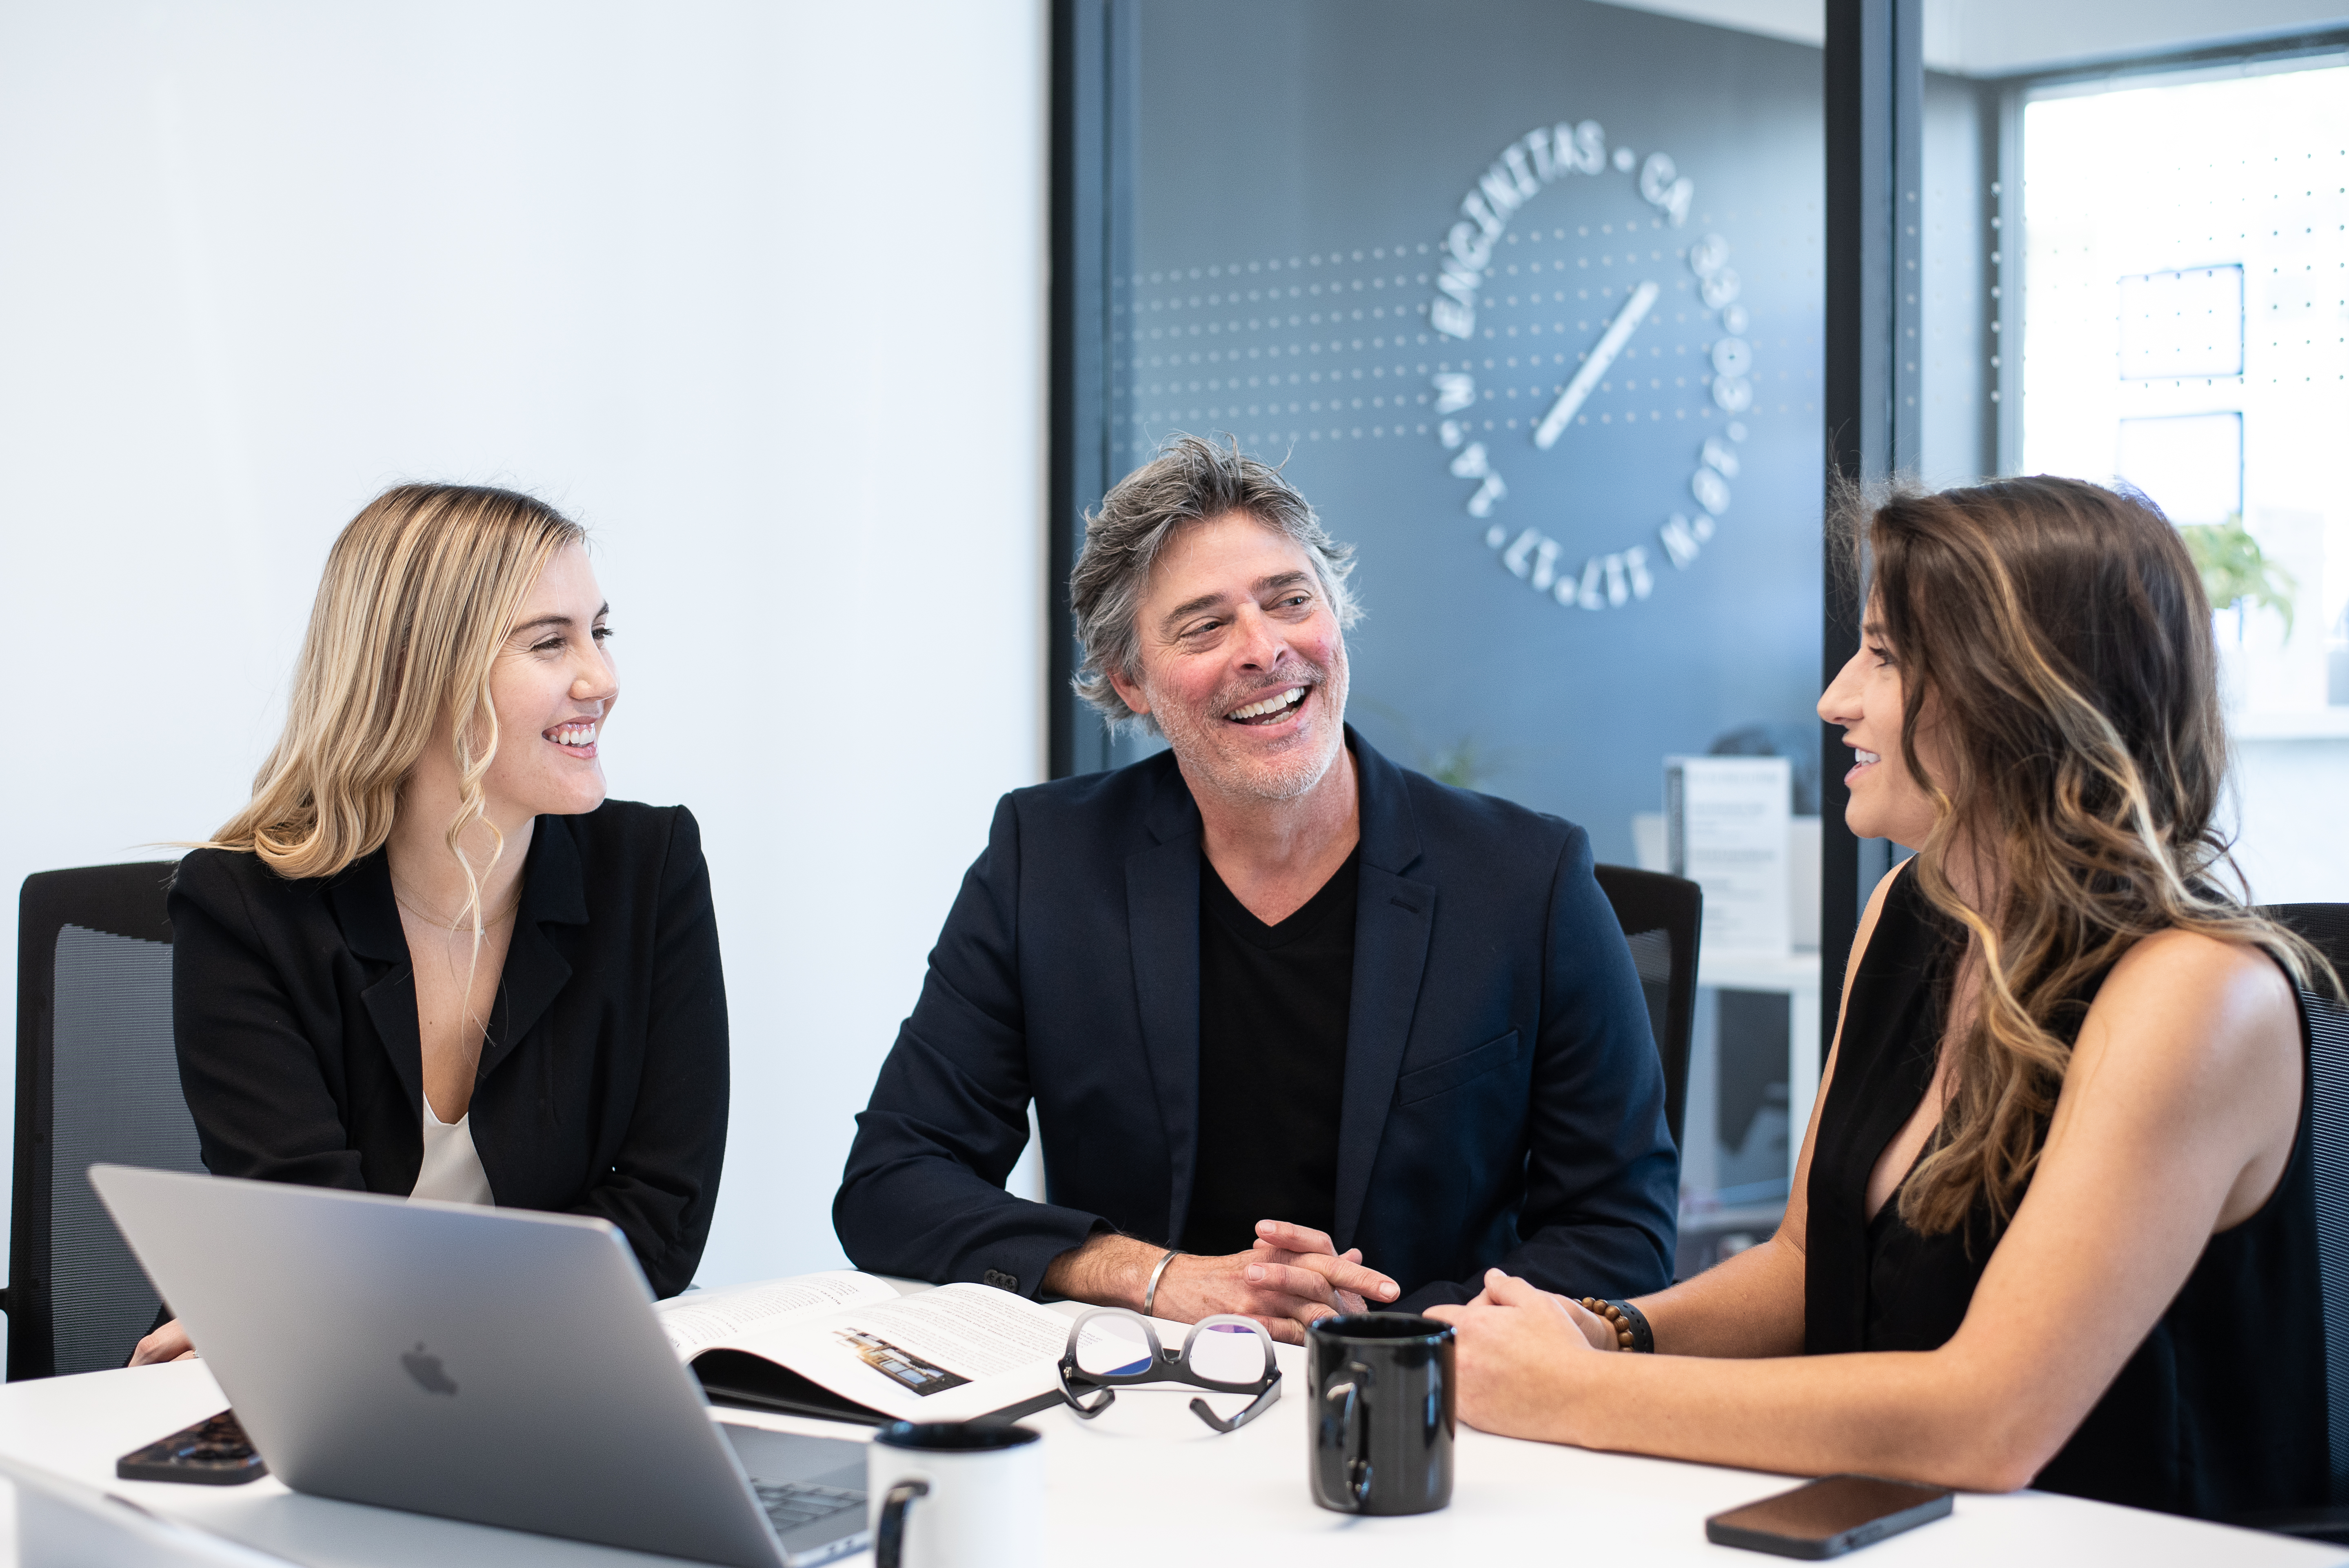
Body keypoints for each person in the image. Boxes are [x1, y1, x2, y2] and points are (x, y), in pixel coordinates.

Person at [1428, 476, 2333, 1519]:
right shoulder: (1913, 908)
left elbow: (1985, 1421)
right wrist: (1613, 1329)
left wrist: (1581, 1393)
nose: (1835, 699)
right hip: (1899, 1527)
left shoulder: (2196, 994)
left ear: (2020, 694)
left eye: (1887, 657)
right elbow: (1808, 1263)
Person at [833, 435, 1678, 1341]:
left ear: (1335, 619)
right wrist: (1154, 1276)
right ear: (1132, 682)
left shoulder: (1527, 880)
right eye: (1204, 625)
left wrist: (1378, 1332)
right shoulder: (1046, 858)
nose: (1264, 649)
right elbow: (894, 1179)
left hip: (1432, 1413)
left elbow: (1620, 1236)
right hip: (1141, 1410)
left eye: (1290, 601)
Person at [133, 484, 728, 1366]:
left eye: (598, 632)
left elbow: (661, 1217)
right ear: (417, 669)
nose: (601, 679)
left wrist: (439, 1320)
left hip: (540, 1368)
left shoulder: (651, 867)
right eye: (549, 641)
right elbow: (316, 1236)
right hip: (323, 1372)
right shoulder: (244, 910)